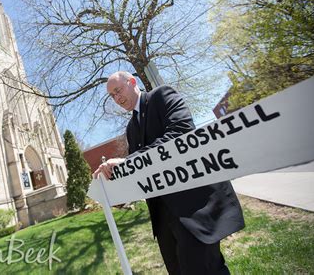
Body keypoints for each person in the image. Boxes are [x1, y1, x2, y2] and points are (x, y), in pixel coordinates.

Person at [94, 71, 244, 275]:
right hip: (164, 219)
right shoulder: (131, 128)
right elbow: (141, 169)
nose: (117, 98)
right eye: (112, 96)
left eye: (118, 90)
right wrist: (114, 176)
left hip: (193, 207)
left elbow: (181, 133)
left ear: (132, 82)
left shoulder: (162, 96)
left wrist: (127, 161)